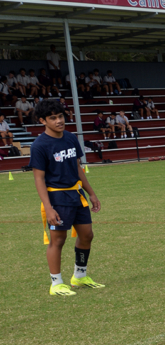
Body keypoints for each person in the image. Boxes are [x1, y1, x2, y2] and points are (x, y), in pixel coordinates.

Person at [30, 98, 104, 297]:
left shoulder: (70, 138)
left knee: (87, 235)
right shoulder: (39, 145)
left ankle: (79, 276)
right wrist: (49, 207)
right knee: (58, 240)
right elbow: (39, 178)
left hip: (76, 194)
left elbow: (77, 168)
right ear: (42, 121)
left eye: (60, 116)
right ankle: (56, 283)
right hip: (57, 198)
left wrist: (92, 193)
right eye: (52, 118)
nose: (58, 121)